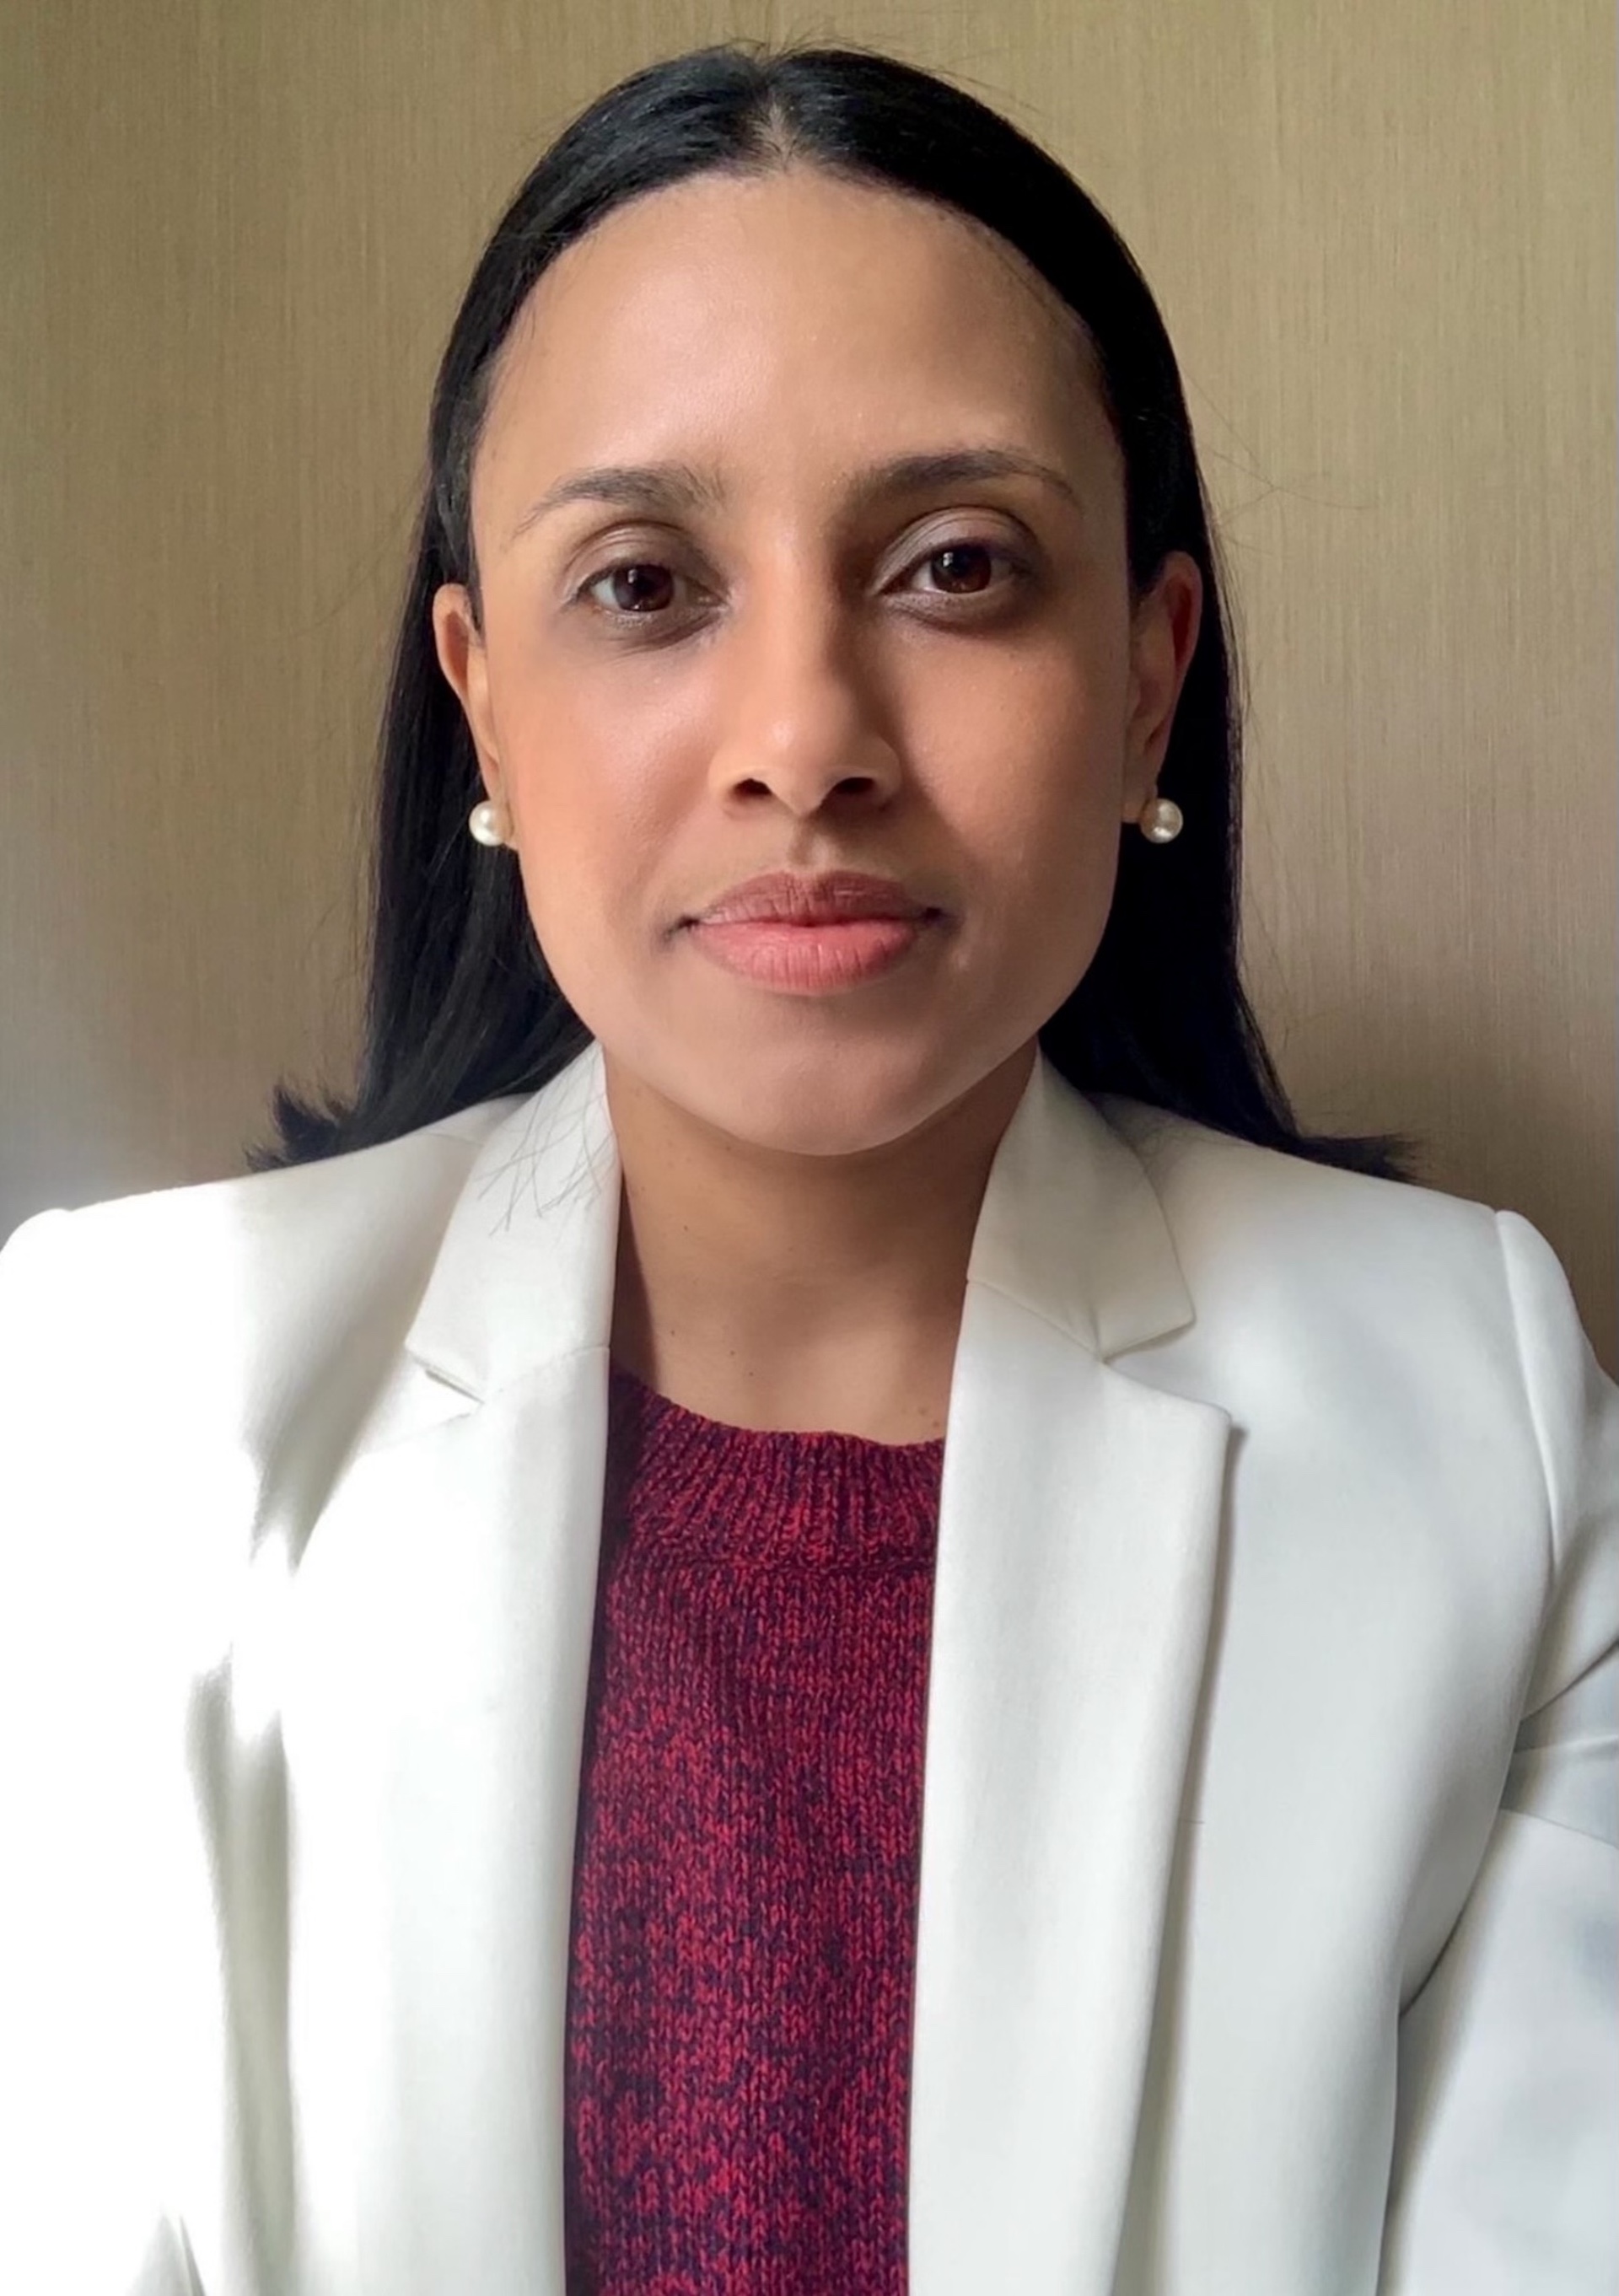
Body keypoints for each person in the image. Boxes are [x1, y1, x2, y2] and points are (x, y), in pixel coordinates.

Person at [0, 37, 1613, 2296]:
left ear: (1148, 680)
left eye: (955, 566)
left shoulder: (1479, 1427)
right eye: (646, 584)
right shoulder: (118, 1416)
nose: (804, 743)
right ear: (482, 699)